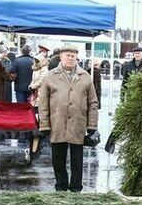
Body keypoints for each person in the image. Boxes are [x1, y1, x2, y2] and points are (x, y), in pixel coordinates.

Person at [38, 45, 99, 192]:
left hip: (78, 124)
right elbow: (43, 102)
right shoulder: (51, 76)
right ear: (61, 56)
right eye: (67, 55)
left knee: (77, 159)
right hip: (57, 123)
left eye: (73, 56)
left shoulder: (85, 77)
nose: (70, 58)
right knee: (58, 158)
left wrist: (92, 126)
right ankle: (61, 185)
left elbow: (93, 102)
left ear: (76, 57)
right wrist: (44, 124)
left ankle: (76, 187)